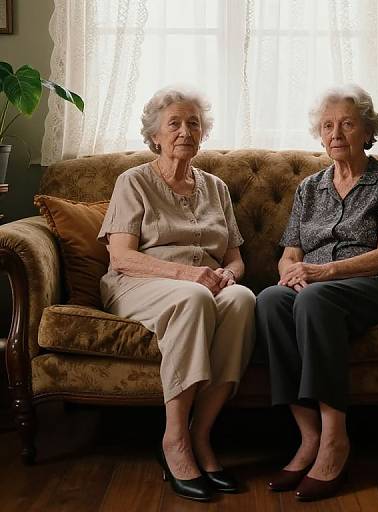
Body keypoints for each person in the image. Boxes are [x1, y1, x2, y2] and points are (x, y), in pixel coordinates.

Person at [256, 84, 378, 501]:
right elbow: (290, 252)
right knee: (272, 300)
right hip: (319, 286)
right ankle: (308, 436)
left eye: (347, 124)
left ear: (368, 131)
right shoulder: (310, 188)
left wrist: (324, 271)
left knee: (313, 297)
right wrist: (290, 273)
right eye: (327, 126)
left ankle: (335, 439)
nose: (336, 134)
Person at [98, 86, 255, 502]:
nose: (185, 130)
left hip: (201, 284)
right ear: (155, 136)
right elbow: (121, 257)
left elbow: (236, 258)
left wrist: (229, 277)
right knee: (194, 298)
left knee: (243, 301)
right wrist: (190, 276)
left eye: (194, 123)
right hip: (138, 284)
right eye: (175, 123)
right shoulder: (133, 182)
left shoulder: (217, 188)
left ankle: (201, 436)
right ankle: (174, 441)